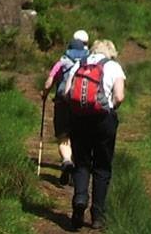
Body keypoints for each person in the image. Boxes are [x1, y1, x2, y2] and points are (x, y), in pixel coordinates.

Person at [68, 38, 126, 231]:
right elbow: (119, 96)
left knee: (82, 163)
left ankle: (80, 201)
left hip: (79, 119)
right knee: (102, 167)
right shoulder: (113, 67)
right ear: (111, 52)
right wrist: (110, 109)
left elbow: (68, 92)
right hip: (103, 121)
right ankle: (97, 216)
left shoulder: (79, 64)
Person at [41, 29, 90, 178]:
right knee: (79, 136)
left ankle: (67, 160)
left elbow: (49, 82)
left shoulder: (62, 61)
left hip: (62, 102)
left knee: (63, 135)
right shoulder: (88, 62)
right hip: (81, 104)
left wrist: (44, 94)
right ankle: (76, 167)